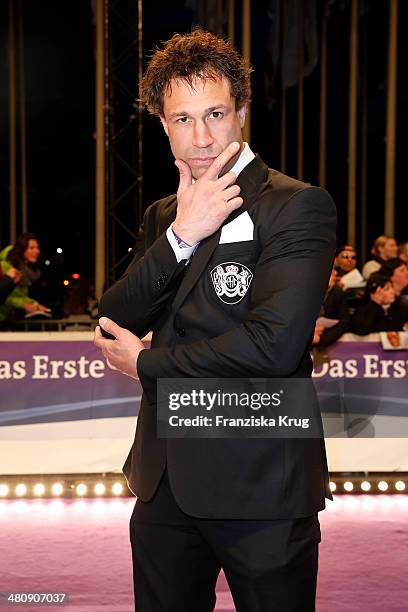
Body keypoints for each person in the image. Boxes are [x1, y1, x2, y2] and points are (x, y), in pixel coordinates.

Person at [94, 29, 336, 612]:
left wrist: (147, 362)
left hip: (263, 483)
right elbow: (114, 316)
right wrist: (183, 234)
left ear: (242, 112)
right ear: (162, 124)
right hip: (165, 484)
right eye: (182, 119)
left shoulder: (296, 204)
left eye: (216, 113)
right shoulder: (163, 216)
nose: (200, 138)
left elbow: (273, 348)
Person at [0, 233, 49, 323]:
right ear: (22, 250)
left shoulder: (24, 271)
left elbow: (19, 296)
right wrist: (23, 305)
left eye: (37, 248)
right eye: (31, 248)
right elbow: (5, 296)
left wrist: (35, 304)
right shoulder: (5, 267)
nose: (36, 251)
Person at [312, 268, 350, 348]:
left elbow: (344, 323)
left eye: (335, 271)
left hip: (323, 342)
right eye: (331, 271)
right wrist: (309, 333)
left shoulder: (337, 292)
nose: (335, 273)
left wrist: (321, 339)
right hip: (300, 342)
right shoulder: (302, 291)